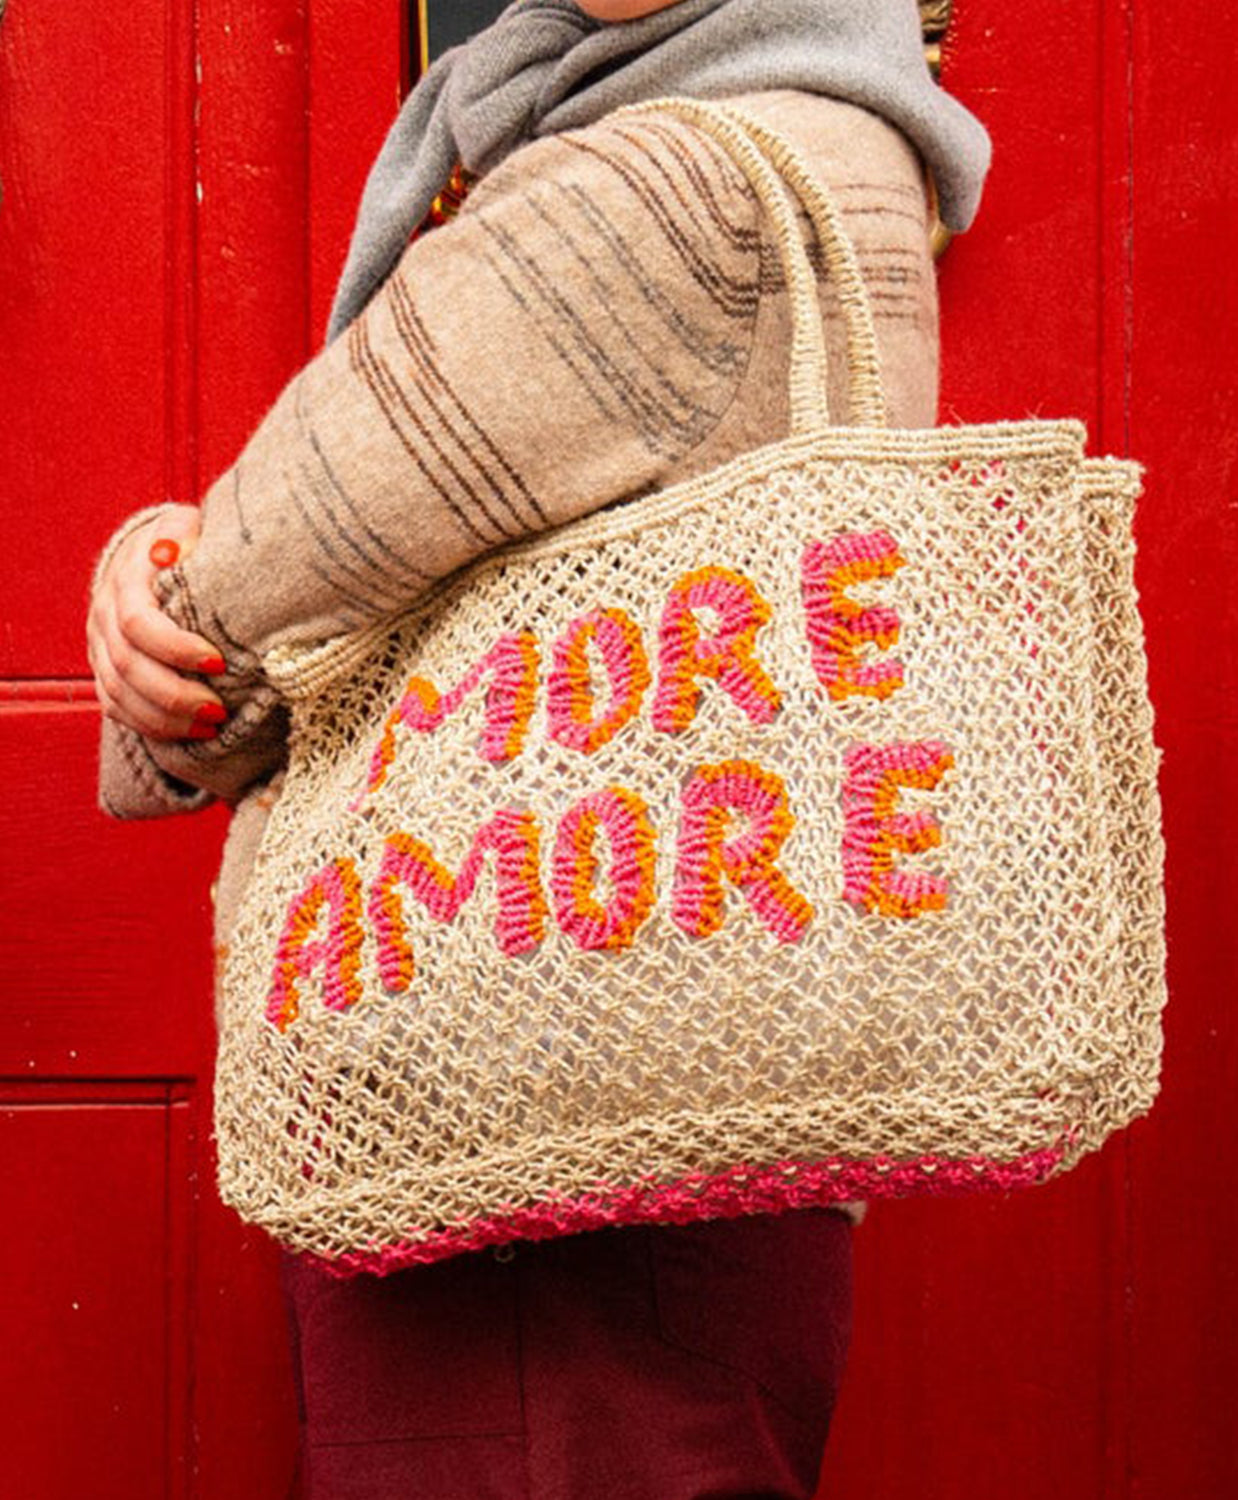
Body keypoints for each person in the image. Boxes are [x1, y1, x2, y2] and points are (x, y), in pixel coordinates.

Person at [87, 2, 989, 1494]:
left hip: (523, 1163)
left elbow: (232, 624)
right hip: (686, 1122)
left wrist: (151, 579)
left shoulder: (655, 188)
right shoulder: (826, 122)